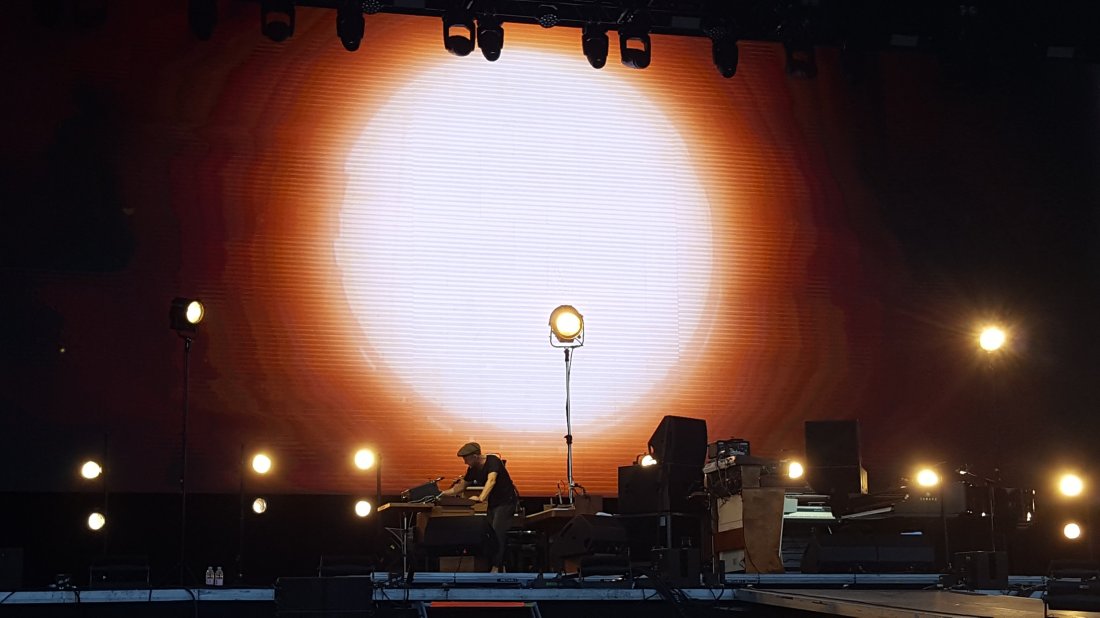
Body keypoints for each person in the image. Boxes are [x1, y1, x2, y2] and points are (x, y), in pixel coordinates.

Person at [439, 442, 518, 573]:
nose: (465, 462)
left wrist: (481, 498)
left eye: (466, 459)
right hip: (493, 504)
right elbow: (459, 488)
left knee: (498, 533)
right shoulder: (473, 469)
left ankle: (496, 567)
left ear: (475, 456)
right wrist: (440, 494)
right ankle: (499, 566)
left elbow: (491, 480)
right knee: (490, 535)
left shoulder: (493, 461)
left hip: (506, 502)